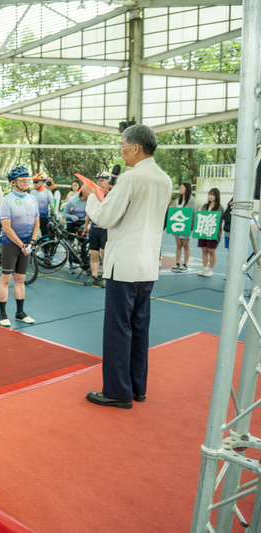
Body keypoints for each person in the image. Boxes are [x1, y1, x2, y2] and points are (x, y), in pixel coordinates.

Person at [80, 124, 172, 409]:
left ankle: (117, 391)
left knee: (118, 327)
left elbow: (105, 217)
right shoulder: (164, 179)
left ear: (135, 147)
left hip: (124, 265)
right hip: (147, 263)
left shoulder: (132, 178)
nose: (121, 151)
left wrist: (93, 197)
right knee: (139, 326)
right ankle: (137, 386)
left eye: (122, 146)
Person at [0, 166, 39, 327]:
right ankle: (2, 313)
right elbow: (6, 228)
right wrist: (22, 245)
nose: (26, 182)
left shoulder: (32, 198)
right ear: (13, 182)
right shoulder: (6, 201)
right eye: (22, 179)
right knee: (6, 278)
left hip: (27, 245)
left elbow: (37, 222)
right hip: (11, 245)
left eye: (27, 179)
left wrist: (32, 241)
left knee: (20, 279)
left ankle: (20, 313)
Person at [83, 173, 112, 288]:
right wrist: (86, 225)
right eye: (98, 180)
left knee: (105, 254)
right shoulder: (94, 194)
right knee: (94, 253)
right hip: (94, 229)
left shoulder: (111, 195)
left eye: (102, 180)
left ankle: (105, 277)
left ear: (108, 182)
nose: (99, 182)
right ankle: (94, 277)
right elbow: (91, 211)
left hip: (105, 229)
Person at [171, 182, 198, 273]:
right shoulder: (177, 201)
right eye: (180, 188)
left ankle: (185, 264)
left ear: (187, 189)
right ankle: (177, 263)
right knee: (178, 245)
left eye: (182, 188)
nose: (180, 189)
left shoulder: (192, 200)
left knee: (186, 246)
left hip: (186, 227)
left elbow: (194, 214)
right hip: (177, 227)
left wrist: (192, 228)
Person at [197, 188, 224, 278]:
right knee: (204, 250)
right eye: (209, 194)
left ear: (216, 196)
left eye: (213, 195)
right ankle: (204, 268)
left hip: (213, 233)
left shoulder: (220, 207)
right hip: (203, 231)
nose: (211, 196)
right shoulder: (205, 206)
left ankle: (210, 269)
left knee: (211, 251)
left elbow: (218, 222)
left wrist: (211, 234)